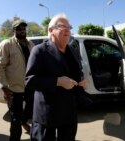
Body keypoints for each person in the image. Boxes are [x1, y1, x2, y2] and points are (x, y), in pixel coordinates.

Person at [25, 13, 88, 141]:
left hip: (69, 112)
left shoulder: (73, 51)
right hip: (47, 114)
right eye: (61, 26)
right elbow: (30, 80)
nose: (67, 30)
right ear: (51, 30)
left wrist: (80, 82)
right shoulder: (39, 50)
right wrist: (57, 82)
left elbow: (76, 73)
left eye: (69, 27)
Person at [0, 20, 34, 141]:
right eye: (18, 28)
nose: (22, 30)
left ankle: (24, 121)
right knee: (15, 119)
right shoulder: (7, 44)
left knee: (31, 108)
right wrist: (4, 87)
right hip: (13, 88)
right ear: (13, 30)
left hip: (30, 86)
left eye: (24, 28)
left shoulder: (30, 44)